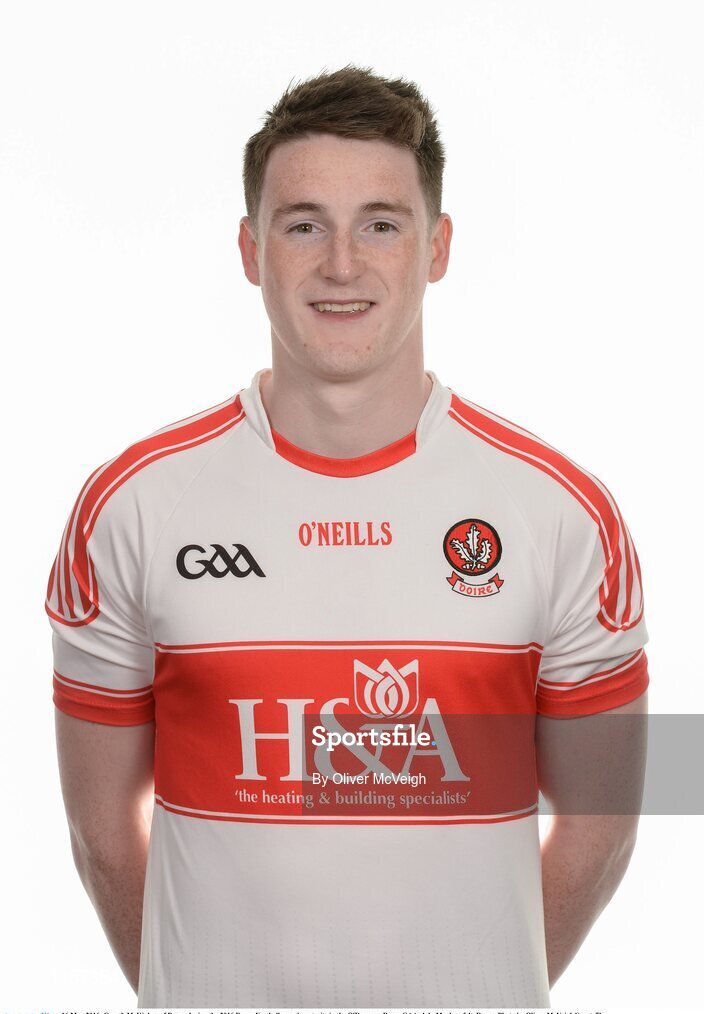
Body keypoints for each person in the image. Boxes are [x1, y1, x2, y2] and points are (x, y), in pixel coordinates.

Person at [47, 65, 649, 1009]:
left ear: (436, 246)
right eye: (303, 225)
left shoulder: (561, 514)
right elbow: (99, 834)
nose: (341, 264)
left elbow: (603, 825)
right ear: (250, 250)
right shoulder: (133, 508)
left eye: (380, 222)